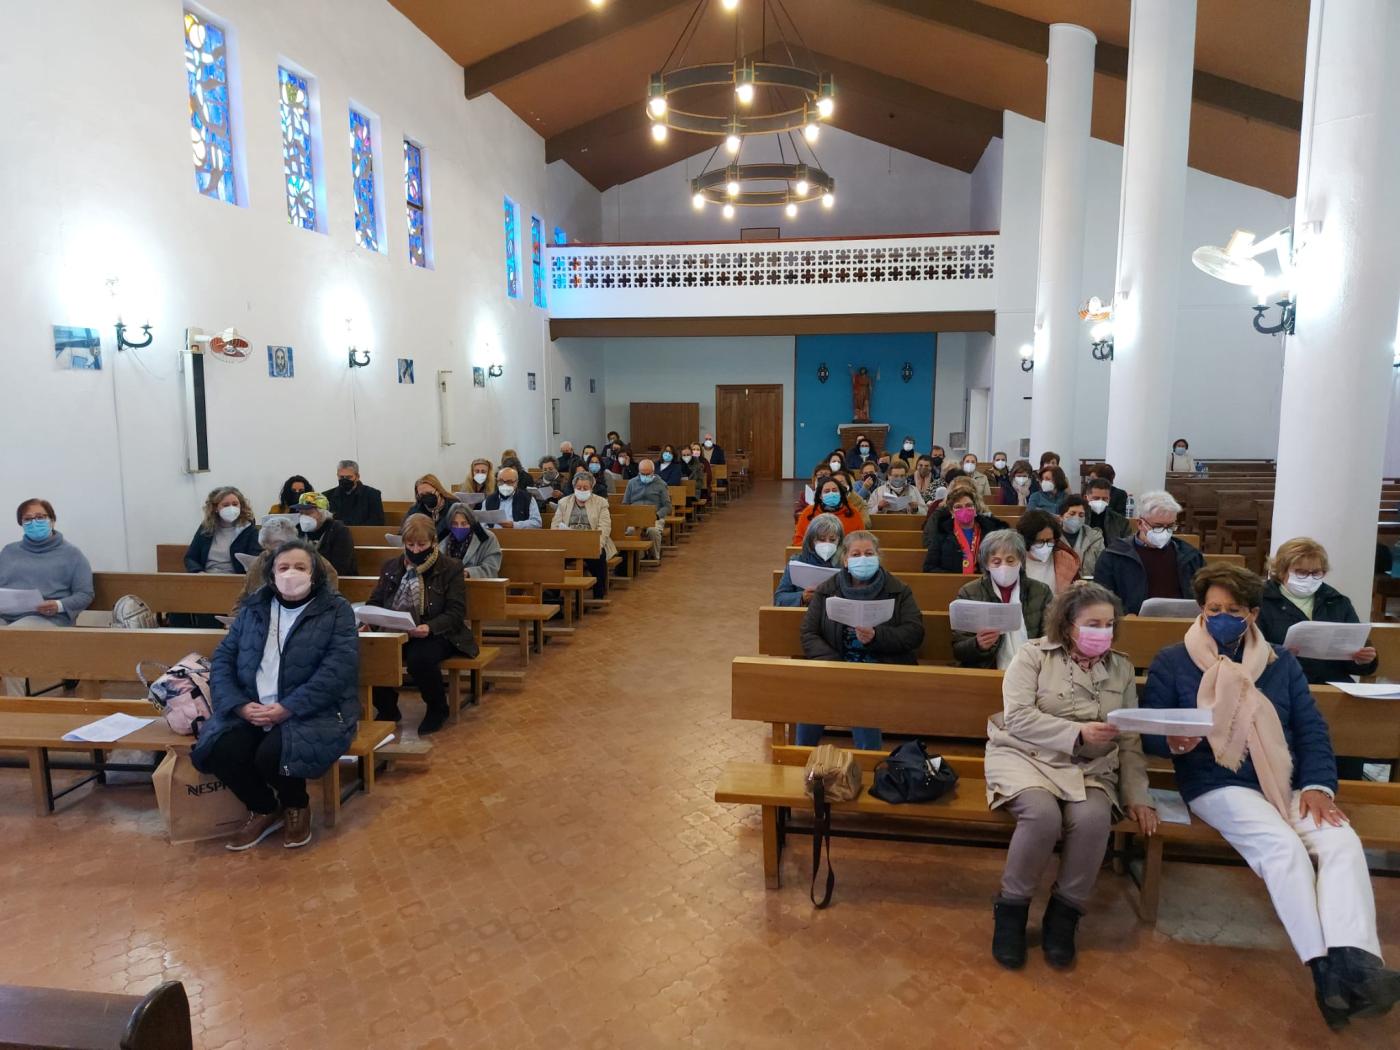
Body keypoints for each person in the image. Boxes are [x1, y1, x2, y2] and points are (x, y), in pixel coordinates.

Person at [1142, 564, 1400, 1030]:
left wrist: (1320, 787)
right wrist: (1173, 742)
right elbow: (1153, 731)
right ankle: (1324, 971)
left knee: (1341, 841)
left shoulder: (1281, 661)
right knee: (1282, 847)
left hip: (1285, 782)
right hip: (1215, 780)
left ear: (1253, 614)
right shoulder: (1173, 659)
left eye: (1233, 611)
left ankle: (1355, 963)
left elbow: (1311, 731)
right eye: (1213, 609)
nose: (1221, 618)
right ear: (1202, 610)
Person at [987, 583, 1156, 970]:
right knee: (1042, 816)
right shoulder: (1032, 656)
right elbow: (1017, 717)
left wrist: (1137, 794)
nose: (1103, 631)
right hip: (1024, 754)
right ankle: (1011, 911)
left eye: (1109, 624)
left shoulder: (1122, 667)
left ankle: (1064, 916)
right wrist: (1076, 733)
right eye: (1093, 623)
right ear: (1068, 625)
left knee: (1093, 818)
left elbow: (1129, 737)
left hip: (1090, 765)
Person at [194, 539, 359, 851]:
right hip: (252, 705)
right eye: (283, 568)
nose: (291, 574)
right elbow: (223, 660)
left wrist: (288, 707)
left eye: (300, 567)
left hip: (315, 710)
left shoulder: (336, 610)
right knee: (219, 749)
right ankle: (264, 807)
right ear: (271, 575)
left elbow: (337, 670)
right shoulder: (254, 608)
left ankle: (296, 804)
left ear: (315, 574)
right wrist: (240, 706)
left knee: (272, 754)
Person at [1259, 538, 1378, 781]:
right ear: (1282, 570)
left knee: (1353, 717)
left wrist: (1362, 658)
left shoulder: (1336, 601)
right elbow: (1250, 648)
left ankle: (1347, 782)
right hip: (1281, 683)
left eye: (1316, 572)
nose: (1310, 578)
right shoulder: (1261, 600)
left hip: (1331, 681)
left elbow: (1360, 647)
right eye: (1301, 572)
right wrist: (1277, 653)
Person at [798, 532, 924, 749]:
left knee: (863, 696)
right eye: (856, 554)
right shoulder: (827, 589)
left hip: (882, 669)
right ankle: (801, 758)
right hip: (837, 666)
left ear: (878, 557)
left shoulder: (898, 590)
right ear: (845, 560)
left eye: (869, 553)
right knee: (811, 700)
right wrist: (835, 665)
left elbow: (914, 632)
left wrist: (877, 636)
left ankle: (869, 763)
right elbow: (809, 633)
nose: (863, 559)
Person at [367, 514, 478, 735]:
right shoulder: (391, 566)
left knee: (420, 658)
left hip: (440, 632)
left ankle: (437, 707)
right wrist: (369, 620)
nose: (416, 550)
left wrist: (429, 627)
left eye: (422, 544)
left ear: (433, 542)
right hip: (396, 630)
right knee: (369, 652)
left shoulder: (450, 567)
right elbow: (376, 601)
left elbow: (456, 612)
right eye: (410, 544)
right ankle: (387, 708)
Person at [0, 499, 94, 697]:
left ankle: (16, 707)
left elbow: (85, 593)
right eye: (28, 519)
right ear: (21, 524)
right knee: (8, 637)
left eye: (40, 517)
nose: (34, 522)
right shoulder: (9, 552)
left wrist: (58, 605)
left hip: (47, 618)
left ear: (52, 520)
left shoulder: (71, 555)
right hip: (7, 614)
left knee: (10, 641)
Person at [951, 531, 1052, 669]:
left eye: (1010, 560)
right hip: (987, 671)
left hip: (1033, 670)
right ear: (986, 564)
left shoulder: (1041, 591)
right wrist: (978, 644)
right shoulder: (969, 592)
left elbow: (1050, 638)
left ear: (1021, 561)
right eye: (996, 562)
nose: (1004, 567)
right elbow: (958, 650)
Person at [1094, 491, 1203, 614]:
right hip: (1131, 625)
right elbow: (1101, 600)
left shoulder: (1190, 556)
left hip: (1182, 625)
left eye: (1170, 526)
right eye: (1158, 526)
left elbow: (1204, 595)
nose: (1165, 532)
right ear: (1140, 524)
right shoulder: (1113, 556)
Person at [236, 517, 338, 613]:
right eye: (266, 548)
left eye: (274, 550)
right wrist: (236, 618)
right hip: (262, 617)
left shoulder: (315, 562)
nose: (270, 555)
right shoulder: (259, 563)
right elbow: (245, 597)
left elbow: (328, 597)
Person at [551, 472, 615, 599]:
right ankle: (553, 596)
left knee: (599, 557)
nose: (581, 490)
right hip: (568, 543)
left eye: (585, 488)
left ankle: (598, 594)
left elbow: (604, 527)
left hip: (592, 541)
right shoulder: (564, 502)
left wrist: (598, 544)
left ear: (591, 488)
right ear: (574, 487)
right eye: (579, 488)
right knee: (554, 559)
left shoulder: (601, 503)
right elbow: (555, 524)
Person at [922, 488, 1008, 574]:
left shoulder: (991, 530)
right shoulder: (942, 532)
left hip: (984, 582)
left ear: (975, 509)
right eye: (958, 507)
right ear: (952, 512)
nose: (964, 510)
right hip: (952, 583)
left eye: (968, 505)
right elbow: (929, 567)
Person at [184, 486, 260, 574]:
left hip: (236, 579)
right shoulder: (206, 528)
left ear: (241, 506)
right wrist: (198, 571)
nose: (231, 508)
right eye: (226, 505)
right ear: (215, 508)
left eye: (235, 504)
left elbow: (256, 560)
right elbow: (191, 558)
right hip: (206, 577)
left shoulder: (249, 530)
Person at [774, 513, 843, 607]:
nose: (827, 544)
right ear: (811, 541)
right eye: (821, 540)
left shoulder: (845, 563)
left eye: (832, 540)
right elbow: (779, 598)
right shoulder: (797, 562)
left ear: (839, 541)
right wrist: (802, 597)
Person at [292, 492, 358, 577]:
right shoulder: (297, 530)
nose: (303, 517)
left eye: (308, 513)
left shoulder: (339, 531)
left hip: (335, 581)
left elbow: (340, 567)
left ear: (323, 513)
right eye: (301, 513)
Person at [1017, 509, 1080, 595]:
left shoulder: (1067, 561)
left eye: (1050, 541)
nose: (1045, 546)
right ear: (1027, 540)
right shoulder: (1014, 561)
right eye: (1040, 541)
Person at [622, 459, 670, 562]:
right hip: (635, 517)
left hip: (654, 517)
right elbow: (625, 503)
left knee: (653, 531)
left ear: (653, 472)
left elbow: (667, 506)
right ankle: (637, 556)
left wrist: (657, 515)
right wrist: (630, 516)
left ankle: (655, 556)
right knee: (630, 531)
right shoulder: (631, 483)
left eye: (648, 474)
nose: (645, 476)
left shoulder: (661, 484)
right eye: (642, 473)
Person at [439, 502, 502, 578]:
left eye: (464, 523)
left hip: (477, 586)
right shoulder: (443, 537)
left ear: (471, 522)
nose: (459, 527)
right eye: (455, 523)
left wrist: (468, 573)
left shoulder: (487, 538)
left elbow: (491, 568)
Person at [794, 479, 863, 544]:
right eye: (827, 491)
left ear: (840, 494)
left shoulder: (853, 513)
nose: (831, 493)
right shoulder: (809, 512)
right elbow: (798, 541)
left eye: (835, 490)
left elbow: (861, 539)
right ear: (820, 496)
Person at [326, 460, 385, 526]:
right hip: (337, 534)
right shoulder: (327, 496)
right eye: (341, 477)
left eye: (349, 477)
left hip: (364, 534)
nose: (345, 480)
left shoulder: (373, 495)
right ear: (337, 475)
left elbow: (377, 522)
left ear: (357, 477)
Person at [1059, 496, 1105, 578]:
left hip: (1088, 586)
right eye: (1072, 514)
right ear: (1061, 517)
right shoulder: (1052, 537)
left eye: (1081, 515)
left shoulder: (1095, 538)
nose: (1076, 518)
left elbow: (1103, 568)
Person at [1085, 478, 1133, 543]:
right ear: (1086, 497)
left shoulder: (1120, 521)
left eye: (1104, 499)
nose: (1100, 501)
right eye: (1096, 498)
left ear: (1109, 499)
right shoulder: (1080, 518)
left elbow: (1128, 545)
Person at [408, 474, 455, 539]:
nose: (426, 497)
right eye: (421, 495)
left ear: (438, 491)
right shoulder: (415, 510)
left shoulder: (453, 506)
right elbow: (405, 532)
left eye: (429, 493)